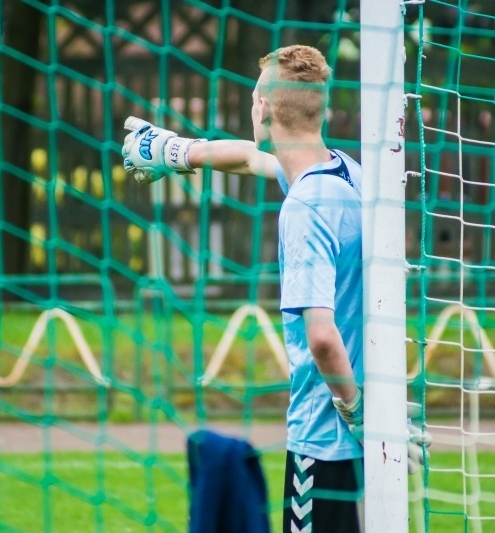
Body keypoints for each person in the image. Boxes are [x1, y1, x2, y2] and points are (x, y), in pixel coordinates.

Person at [121, 44, 431, 533]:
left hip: (323, 435)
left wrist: (360, 414)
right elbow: (249, 159)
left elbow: (323, 338)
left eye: (251, 99)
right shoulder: (346, 173)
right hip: (351, 435)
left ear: (262, 108)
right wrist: (174, 150)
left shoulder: (305, 207)